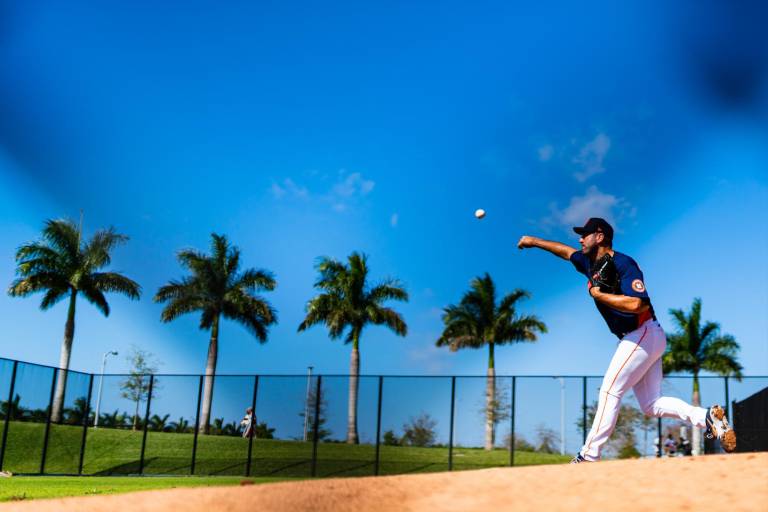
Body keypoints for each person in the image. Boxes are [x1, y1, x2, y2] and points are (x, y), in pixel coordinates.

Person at [517, 218, 737, 462]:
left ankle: (588, 456)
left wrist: (599, 295)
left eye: (585, 234)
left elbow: (637, 303)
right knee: (651, 405)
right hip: (644, 337)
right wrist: (534, 241)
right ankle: (708, 417)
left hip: (641, 332)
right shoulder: (589, 262)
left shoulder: (623, 263)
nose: (580, 239)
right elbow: (566, 252)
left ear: (599, 236)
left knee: (610, 391)